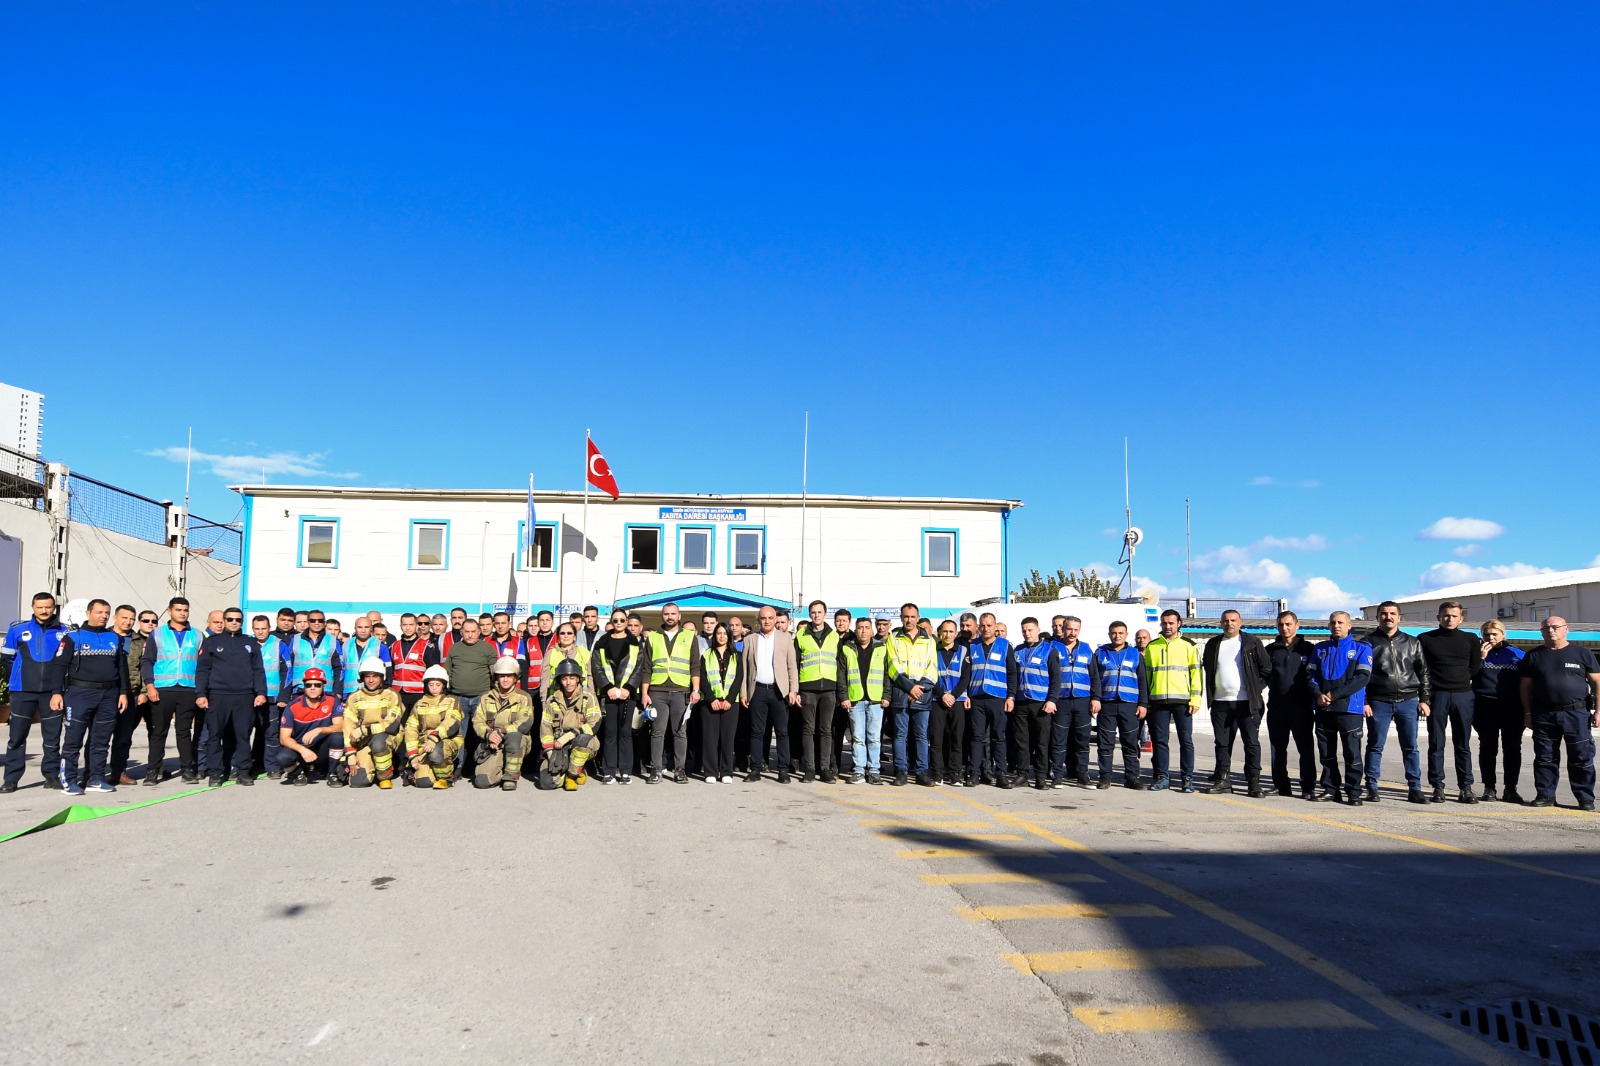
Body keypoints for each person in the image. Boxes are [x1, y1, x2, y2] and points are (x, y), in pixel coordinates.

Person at [1519, 617, 1599, 811]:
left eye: (1555, 627)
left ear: (1566, 629)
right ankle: (1546, 795)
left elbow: (1597, 683)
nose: (1551, 631)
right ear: (1541, 632)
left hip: (1576, 714)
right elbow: (1525, 687)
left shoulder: (1583, 654)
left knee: (1581, 757)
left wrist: (1598, 711)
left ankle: (1585, 798)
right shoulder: (1533, 656)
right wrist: (1527, 712)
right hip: (1543, 714)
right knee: (1545, 757)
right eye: (1546, 628)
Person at [54, 598, 131, 796]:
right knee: (73, 740)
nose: (103, 616)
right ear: (88, 613)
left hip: (109, 695)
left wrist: (123, 692)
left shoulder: (114, 638)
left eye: (106, 613)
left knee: (101, 740)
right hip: (80, 694)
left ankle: (96, 778)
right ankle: (68, 780)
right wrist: (56, 693)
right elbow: (59, 666)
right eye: (99, 612)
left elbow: (121, 668)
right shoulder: (73, 637)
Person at [1362, 600, 1430, 804]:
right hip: (1378, 701)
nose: (1388, 617)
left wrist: (1425, 699)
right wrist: (1364, 701)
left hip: (1408, 700)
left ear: (1400, 617)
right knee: (1375, 745)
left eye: (1392, 613)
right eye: (1383, 613)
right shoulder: (1367, 643)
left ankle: (1415, 788)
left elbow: (1424, 672)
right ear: (1377, 617)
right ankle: (1372, 786)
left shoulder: (1412, 642)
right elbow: (1361, 675)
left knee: (1411, 747)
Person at [1201, 610, 1273, 797]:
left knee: (1251, 743)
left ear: (1240, 622)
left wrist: (1255, 688)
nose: (1229, 624)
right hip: (1220, 703)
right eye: (1225, 621)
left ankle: (1254, 782)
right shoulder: (1213, 644)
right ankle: (1223, 779)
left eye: (1233, 620)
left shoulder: (1252, 642)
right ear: (1221, 623)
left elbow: (1266, 668)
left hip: (1246, 703)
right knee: (1222, 743)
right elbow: (1208, 668)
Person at [194, 606, 268, 788]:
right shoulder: (212, 642)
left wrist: (260, 692)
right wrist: (201, 694)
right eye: (230, 619)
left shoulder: (250, 643)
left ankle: (243, 772)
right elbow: (203, 669)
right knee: (215, 735)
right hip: (218, 695)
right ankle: (215, 772)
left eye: (238, 620)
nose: (234, 622)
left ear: (242, 622)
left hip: (244, 696)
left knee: (243, 735)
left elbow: (258, 670)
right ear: (224, 621)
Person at [1418, 601, 1483, 803]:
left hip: (1463, 695)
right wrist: (1424, 697)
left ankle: (1466, 787)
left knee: (1462, 744)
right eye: (1446, 615)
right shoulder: (1425, 639)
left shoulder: (1471, 639)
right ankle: (1438, 786)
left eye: (1454, 616)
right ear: (1438, 617)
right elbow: (1421, 668)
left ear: (1461, 618)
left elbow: (1475, 667)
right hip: (1437, 696)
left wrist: (1460, 680)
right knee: (1436, 743)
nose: (1450, 619)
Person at [1311, 612, 1372, 805]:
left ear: (1349, 625)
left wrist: (1335, 695)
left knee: (1352, 753)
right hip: (1324, 708)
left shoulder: (1362, 648)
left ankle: (1354, 792)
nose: (1336, 625)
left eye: (1340, 622)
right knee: (1326, 753)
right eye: (1333, 622)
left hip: (1349, 710)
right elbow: (1309, 676)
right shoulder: (1320, 648)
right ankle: (1330, 790)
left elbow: (1362, 677)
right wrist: (1317, 694)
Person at [141, 596, 205, 783]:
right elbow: (147, 661)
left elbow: (202, 666)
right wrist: (150, 686)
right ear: (169, 611)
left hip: (187, 689)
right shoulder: (157, 634)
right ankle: (153, 771)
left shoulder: (197, 635)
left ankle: (187, 770)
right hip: (162, 689)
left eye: (185, 610)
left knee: (184, 732)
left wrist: (200, 692)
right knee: (158, 732)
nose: (182, 613)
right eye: (178, 610)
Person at [1141, 610, 1200, 793]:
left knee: (1186, 741)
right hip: (1158, 700)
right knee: (1160, 741)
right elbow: (1147, 677)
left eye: (1171, 623)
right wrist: (1146, 701)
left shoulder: (1189, 646)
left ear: (1179, 623)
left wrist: (1195, 699)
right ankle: (1162, 777)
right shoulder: (1152, 647)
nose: (1167, 626)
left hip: (1182, 701)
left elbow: (1196, 674)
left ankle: (1187, 778)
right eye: (1164, 623)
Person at [641, 602, 699, 784]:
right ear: (662, 616)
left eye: (673, 613)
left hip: (680, 691)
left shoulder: (689, 637)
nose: (670, 617)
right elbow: (646, 667)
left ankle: (679, 770)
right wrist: (644, 693)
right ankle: (656, 770)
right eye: (666, 614)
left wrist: (695, 690)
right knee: (657, 732)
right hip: (657, 691)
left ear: (679, 616)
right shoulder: (653, 638)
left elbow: (695, 666)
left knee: (680, 732)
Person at [740, 606, 799, 783]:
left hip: (779, 691)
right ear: (758, 620)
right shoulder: (750, 639)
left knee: (782, 732)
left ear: (774, 619)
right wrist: (744, 692)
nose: (767, 621)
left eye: (770, 618)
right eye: (763, 618)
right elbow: (744, 668)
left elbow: (792, 666)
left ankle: (783, 770)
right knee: (756, 732)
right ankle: (755, 769)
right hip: (757, 691)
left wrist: (793, 690)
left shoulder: (785, 638)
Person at [1264, 611, 1318, 799]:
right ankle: (1281, 785)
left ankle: (1308, 786)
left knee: (1305, 748)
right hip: (1277, 707)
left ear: (1297, 625)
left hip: (1301, 707)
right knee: (1277, 748)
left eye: (1288, 624)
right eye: (1281, 624)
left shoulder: (1309, 649)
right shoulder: (1271, 650)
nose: (1284, 628)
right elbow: (1263, 676)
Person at [886, 603, 939, 787]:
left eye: (912, 616)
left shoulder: (930, 640)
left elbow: (932, 668)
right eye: (906, 616)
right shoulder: (893, 638)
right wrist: (910, 688)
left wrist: (918, 690)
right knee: (900, 735)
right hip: (902, 693)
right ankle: (901, 771)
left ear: (918, 617)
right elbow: (893, 667)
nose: (909, 620)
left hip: (922, 695)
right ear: (901, 618)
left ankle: (921, 772)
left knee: (921, 736)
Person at [1474, 620, 1526, 803]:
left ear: (1503, 635)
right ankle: (1489, 787)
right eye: (1486, 634)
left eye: (1495, 634)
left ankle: (1511, 789)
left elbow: (1528, 681)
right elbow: (1468, 675)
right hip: (1484, 706)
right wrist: (1480, 657)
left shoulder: (1518, 654)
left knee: (1512, 748)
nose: (1491, 637)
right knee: (1487, 747)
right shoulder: (1476, 653)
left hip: (1512, 707)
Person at [1006, 617, 1060, 790]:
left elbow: (1056, 678)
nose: (1027, 633)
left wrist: (1052, 700)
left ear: (1038, 630)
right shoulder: (1018, 650)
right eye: (1024, 630)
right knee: (1021, 741)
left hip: (1041, 703)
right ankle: (1022, 775)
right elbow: (1012, 676)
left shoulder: (1049, 650)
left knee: (1041, 743)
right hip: (1021, 702)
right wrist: (1011, 697)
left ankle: (1041, 777)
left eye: (1030, 630)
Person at [1092, 621, 1145, 789]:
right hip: (1107, 704)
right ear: (1109, 634)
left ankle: (1132, 778)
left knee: (1130, 743)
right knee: (1105, 743)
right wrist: (1096, 698)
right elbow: (1094, 679)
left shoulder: (1135, 654)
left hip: (1129, 705)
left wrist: (1143, 703)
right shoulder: (1100, 653)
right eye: (1114, 633)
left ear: (1126, 635)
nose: (1117, 636)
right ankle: (1105, 777)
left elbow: (1142, 681)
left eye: (1121, 633)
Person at [592, 609, 643, 784]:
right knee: (610, 732)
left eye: (622, 620)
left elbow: (639, 667)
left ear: (626, 621)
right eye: (615, 620)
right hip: (609, 695)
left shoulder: (635, 643)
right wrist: (608, 688)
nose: (619, 623)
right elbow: (597, 667)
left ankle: (626, 771)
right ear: (611, 622)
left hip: (628, 695)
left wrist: (628, 688)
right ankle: (609, 771)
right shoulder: (601, 642)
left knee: (626, 732)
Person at [794, 600, 842, 783]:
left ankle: (825, 769)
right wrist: (796, 690)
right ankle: (809, 769)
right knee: (808, 729)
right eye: (813, 612)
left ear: (825, 614)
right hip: (807, 688)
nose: (816, 615)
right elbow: (795, 664)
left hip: (829, 688)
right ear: (809, 614)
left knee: (826, 730)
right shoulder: (801, 635)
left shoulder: (834, 636)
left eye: (819, 612)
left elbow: (840, 665)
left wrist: (840, 691)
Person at [472, 656, 537, 790]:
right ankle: (499, 767)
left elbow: (525, 723)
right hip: (492, 742)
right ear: (496, 677)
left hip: (515, 740)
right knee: (482, 781)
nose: (505, 680)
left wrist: (501, 732)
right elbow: (478, 721)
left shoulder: (524, 697)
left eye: (509, 676)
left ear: (515, 678)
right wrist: (489, 734)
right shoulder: (486, 698)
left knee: (515, 737)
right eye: (502, 676)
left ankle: (510, 777)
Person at [338, 658, 404, 789]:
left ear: (382, 677)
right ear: (362, 678)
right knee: (358, 782)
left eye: (375, 676)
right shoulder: (354, 697)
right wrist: (350, 754)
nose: (371, 680)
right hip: (364, 741)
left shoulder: (392, 695)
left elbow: (392, 724)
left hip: (388, 736)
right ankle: (374, 765)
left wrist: (365, 730)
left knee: (378, 742)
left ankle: (384, 776)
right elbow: (348, 727)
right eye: (367, 676)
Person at [836, 619, 888, 785]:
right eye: (860, 628)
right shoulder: (847, 648)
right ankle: (859, 771)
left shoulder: (882, 648)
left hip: (876, 700)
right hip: (855, 700)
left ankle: (874, 772)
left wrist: (887, 696)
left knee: (874, 738)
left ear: (872, 630)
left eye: (867, 628)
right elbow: (841, 675)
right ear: (855, 630)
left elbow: (887, 674)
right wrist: (844, 697)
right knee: (858, 738)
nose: (863, 631)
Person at [539, 659, 602, 791]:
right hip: (559, 746)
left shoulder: (588, 697)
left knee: (583, 740)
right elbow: (545, 729)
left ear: (578, 679)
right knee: (547, 783)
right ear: (559, 680)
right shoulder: (552, 700)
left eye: (572, 678)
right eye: (564, 679)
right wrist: (550, 753)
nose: (568, 683)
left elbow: (594, 724)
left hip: (583, 742)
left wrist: (569, 736)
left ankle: (572, 775)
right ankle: (576, 770)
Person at [108, 606, 154, 786]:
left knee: (123, 736)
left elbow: (144, 667)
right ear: (115, 618)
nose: (128, 622)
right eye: (124, 618)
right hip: (106, 693)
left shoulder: (138, 641)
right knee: (99, 736)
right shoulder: (104, 637)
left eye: (131, 619)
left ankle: (118, 772)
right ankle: (93, 772)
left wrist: (143, 692)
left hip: (131, 694)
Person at [445, 619, 497, 774]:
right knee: (458, 733)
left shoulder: (487, 648)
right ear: (461, 632)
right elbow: (448, 672)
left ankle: (480, 766)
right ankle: (458, 766)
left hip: (481, 698)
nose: (470, 635)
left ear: (479, 632)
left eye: (473, 631)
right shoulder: (454, 649)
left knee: (480, 733)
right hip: (458, 698)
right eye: (466, 631)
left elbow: (494, 672)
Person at [1049, 615, 1096, 789]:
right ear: (1063, 629)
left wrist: (1096, 698)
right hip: (1061, 701)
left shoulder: (1086, 649)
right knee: (1058, 740)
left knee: (1082, 740)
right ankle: (1057, 775)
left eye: (1076, 630)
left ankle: (1082, 774)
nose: (1072, 633)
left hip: (1082, 700)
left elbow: (1094, 676)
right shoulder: (1053, 648)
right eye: (1069, 629)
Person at [966, 612, 1012, 788]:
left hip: (998, 698)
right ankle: (974, 774)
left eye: (989, 625)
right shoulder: (973, 646)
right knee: (976, 737)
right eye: (983, 625)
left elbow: (1012, 673)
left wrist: (1011, 696)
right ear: (979, 627)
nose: (986, 629)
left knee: (998, 738)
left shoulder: (1005, 646)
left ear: (995, 626)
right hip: (977, 698)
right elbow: (967, 673)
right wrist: (966, 695)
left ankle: (1001, 774)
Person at [275, 668, 342, 785]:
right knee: (282, 758)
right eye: (308, 685)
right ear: (304, 687)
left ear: (323, 686)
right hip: (302, 749)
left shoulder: (332, 699)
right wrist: (302, 750)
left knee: (338, 737)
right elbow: (284, 738)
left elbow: (340, 726)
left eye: (317, 685)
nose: (312, 688)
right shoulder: (293, 706)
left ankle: (332, 773)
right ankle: (299, 773)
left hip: (322, 748)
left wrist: (320, 730)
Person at [695, 623, 743, 783]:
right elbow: (702, 678)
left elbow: (738, 678)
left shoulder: (737, 656)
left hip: (731, 703)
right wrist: (711, 699)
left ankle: (726, 771)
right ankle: (710, 771)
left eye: (725, 633)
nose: (722, 636)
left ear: (729, 636)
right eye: (719, 633)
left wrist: (729, 699)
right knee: (710, 738)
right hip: (710, 702)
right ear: (714, 636)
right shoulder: (706, 655)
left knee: (728, 738)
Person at [403, 665, 462, 789]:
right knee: (423, 782)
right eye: (431, 684)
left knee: (436, 753)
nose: (434, 688)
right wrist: (413, 755)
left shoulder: (452, 701)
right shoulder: (419, 703)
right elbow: (411, 729)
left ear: (444, 685)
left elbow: (451, 722)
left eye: (438, 684)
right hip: (424, 745)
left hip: (446, 740)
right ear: (426, 685)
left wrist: (434, 738)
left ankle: (446, 778)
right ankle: (429, 770)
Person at [248, 614, 288, 778]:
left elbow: (287, 671)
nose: (260, 632)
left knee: (271, 734)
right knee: (245, 732)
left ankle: (272, 767)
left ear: (269, 628)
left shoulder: (279, 645)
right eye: (257, 629)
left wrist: (283, 696)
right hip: (249, 696)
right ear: (252, 629)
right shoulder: (247, 643)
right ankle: (248, 766)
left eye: (263, 628)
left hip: (272, 697)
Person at [932, 621, 970, 786]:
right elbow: (929, 676)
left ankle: (955, 774)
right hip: (937, 700)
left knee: (957, 739)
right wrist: (942, 695)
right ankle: (937, 773)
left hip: (957, 701)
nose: (948, 635)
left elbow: (965, 678)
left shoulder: (964, 652)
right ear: (940, 633)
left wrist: (953, 696)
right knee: (936, 739)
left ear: (956, 633)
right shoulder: (933, 651)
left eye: (951, 631)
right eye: (945, 631)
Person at [287, 610, 343, 700]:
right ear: (308, 622)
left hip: (325, 690)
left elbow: (339, 669)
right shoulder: (295, 639)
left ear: (324, 623)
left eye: (320, 620)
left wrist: (338, 691)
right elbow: (288, 668)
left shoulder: (333, 641)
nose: (316, 623)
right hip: (300, 689)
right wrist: (287, 692)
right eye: (313, 620)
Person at [390, 613, 438, 712]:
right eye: (405, 625)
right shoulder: (394, 646)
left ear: (416, 626)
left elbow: (432, 671)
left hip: (418, 694)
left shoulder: (426, 646)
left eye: (411, 625)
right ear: (400, 626)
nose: (408, 628)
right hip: (398, 693)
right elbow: (391, 670)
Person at [341, 616, 391, 698]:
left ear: (371, 628)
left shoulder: (380, 646)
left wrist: (383, 689)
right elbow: (340, 669)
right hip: (348, 692)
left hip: (372, 693)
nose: (363, 630)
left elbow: (388, 670)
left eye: (366, 627)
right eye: (360, 627)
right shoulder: (346, 645)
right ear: (355, 628)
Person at [542, 622, 592, 704]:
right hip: (556, 699)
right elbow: (544, 679)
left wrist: (591, 698)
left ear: (574, 636)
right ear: (558, 636)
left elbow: (590, 677)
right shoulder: (551, 653)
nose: (566, 636)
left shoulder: (584, 652)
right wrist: (544, 701)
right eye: (562, 633)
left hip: (581, 698)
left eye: (569, 633)